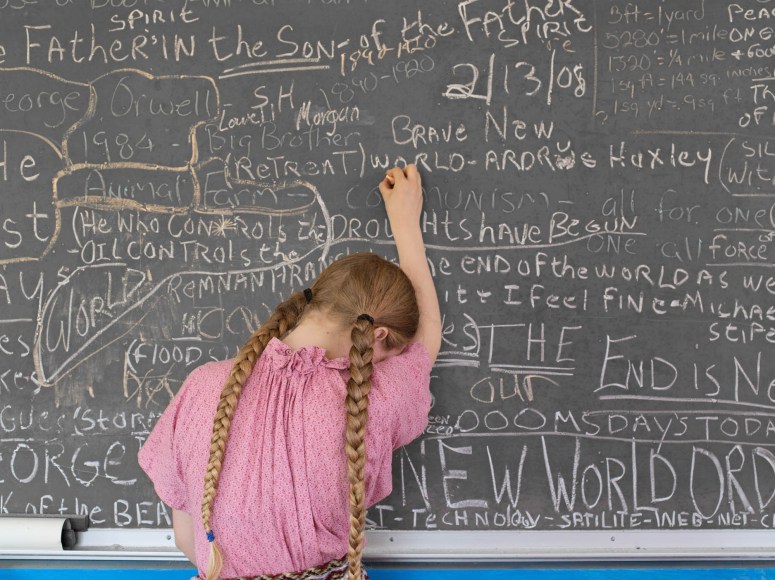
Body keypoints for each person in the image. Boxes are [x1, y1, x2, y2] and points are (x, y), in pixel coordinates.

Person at [138, 164, 441, 580]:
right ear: (378, 335)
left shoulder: (202, 386)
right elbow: (426, 342)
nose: (383, 365)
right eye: (389, 353)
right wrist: (405, 222)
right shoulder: (372, 397)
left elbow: (187, 540)